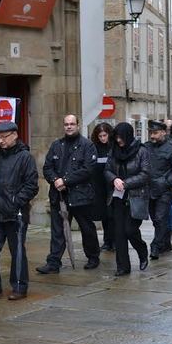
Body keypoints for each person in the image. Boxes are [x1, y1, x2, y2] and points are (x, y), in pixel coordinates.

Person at [0, 122, 39, 301]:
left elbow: (31, 185)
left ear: (14, 135)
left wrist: (16, 201)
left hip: (16, 212)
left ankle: (19, 286)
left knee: (17, 250)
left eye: (4, 137)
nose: (1, 141)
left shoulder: (25, 157)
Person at [37, 114, 100, 273]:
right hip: (59, 196)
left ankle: (93, 256)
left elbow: (87, 169)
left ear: (78, 125)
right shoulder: (56, 145)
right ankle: (53, 263)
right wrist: (55, 179)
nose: (69, 127)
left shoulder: (87, 145)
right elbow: (47, 167)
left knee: (87, 229)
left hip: (80, 196)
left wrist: (65, 180)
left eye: (72, 124)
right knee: (58, 231)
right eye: (66, 124)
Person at [104, 122, 150, 275]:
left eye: (121, 137)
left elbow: (145, 174)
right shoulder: (113, 151)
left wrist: (126, 183)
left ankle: (142, 251)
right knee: (119, 233)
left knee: (130, 230)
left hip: (135, 196)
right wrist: (114, 179)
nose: (118, 140)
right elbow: (107, 170)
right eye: (116, 137)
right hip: (117, 197)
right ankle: (122, 267)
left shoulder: (141, 151)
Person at [144, 120, 172, 260]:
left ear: (163, 133)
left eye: (155, 133)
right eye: (151, 133)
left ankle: (156, 245)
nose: (152, 136)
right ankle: (165, 242)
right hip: (149, 189)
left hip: (164, 190)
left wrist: (166, 182)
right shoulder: (146, 147)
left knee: (160, 218)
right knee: (156, 219)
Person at [90, 123, 115, 252]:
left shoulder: (113, 147)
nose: (103, 138)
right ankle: (107, 240)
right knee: (104, 214)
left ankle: (114, 240)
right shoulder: (94, 148)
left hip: (112, 185)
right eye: (100, 136)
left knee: (113, 214)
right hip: (99, 185)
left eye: (105, 135)